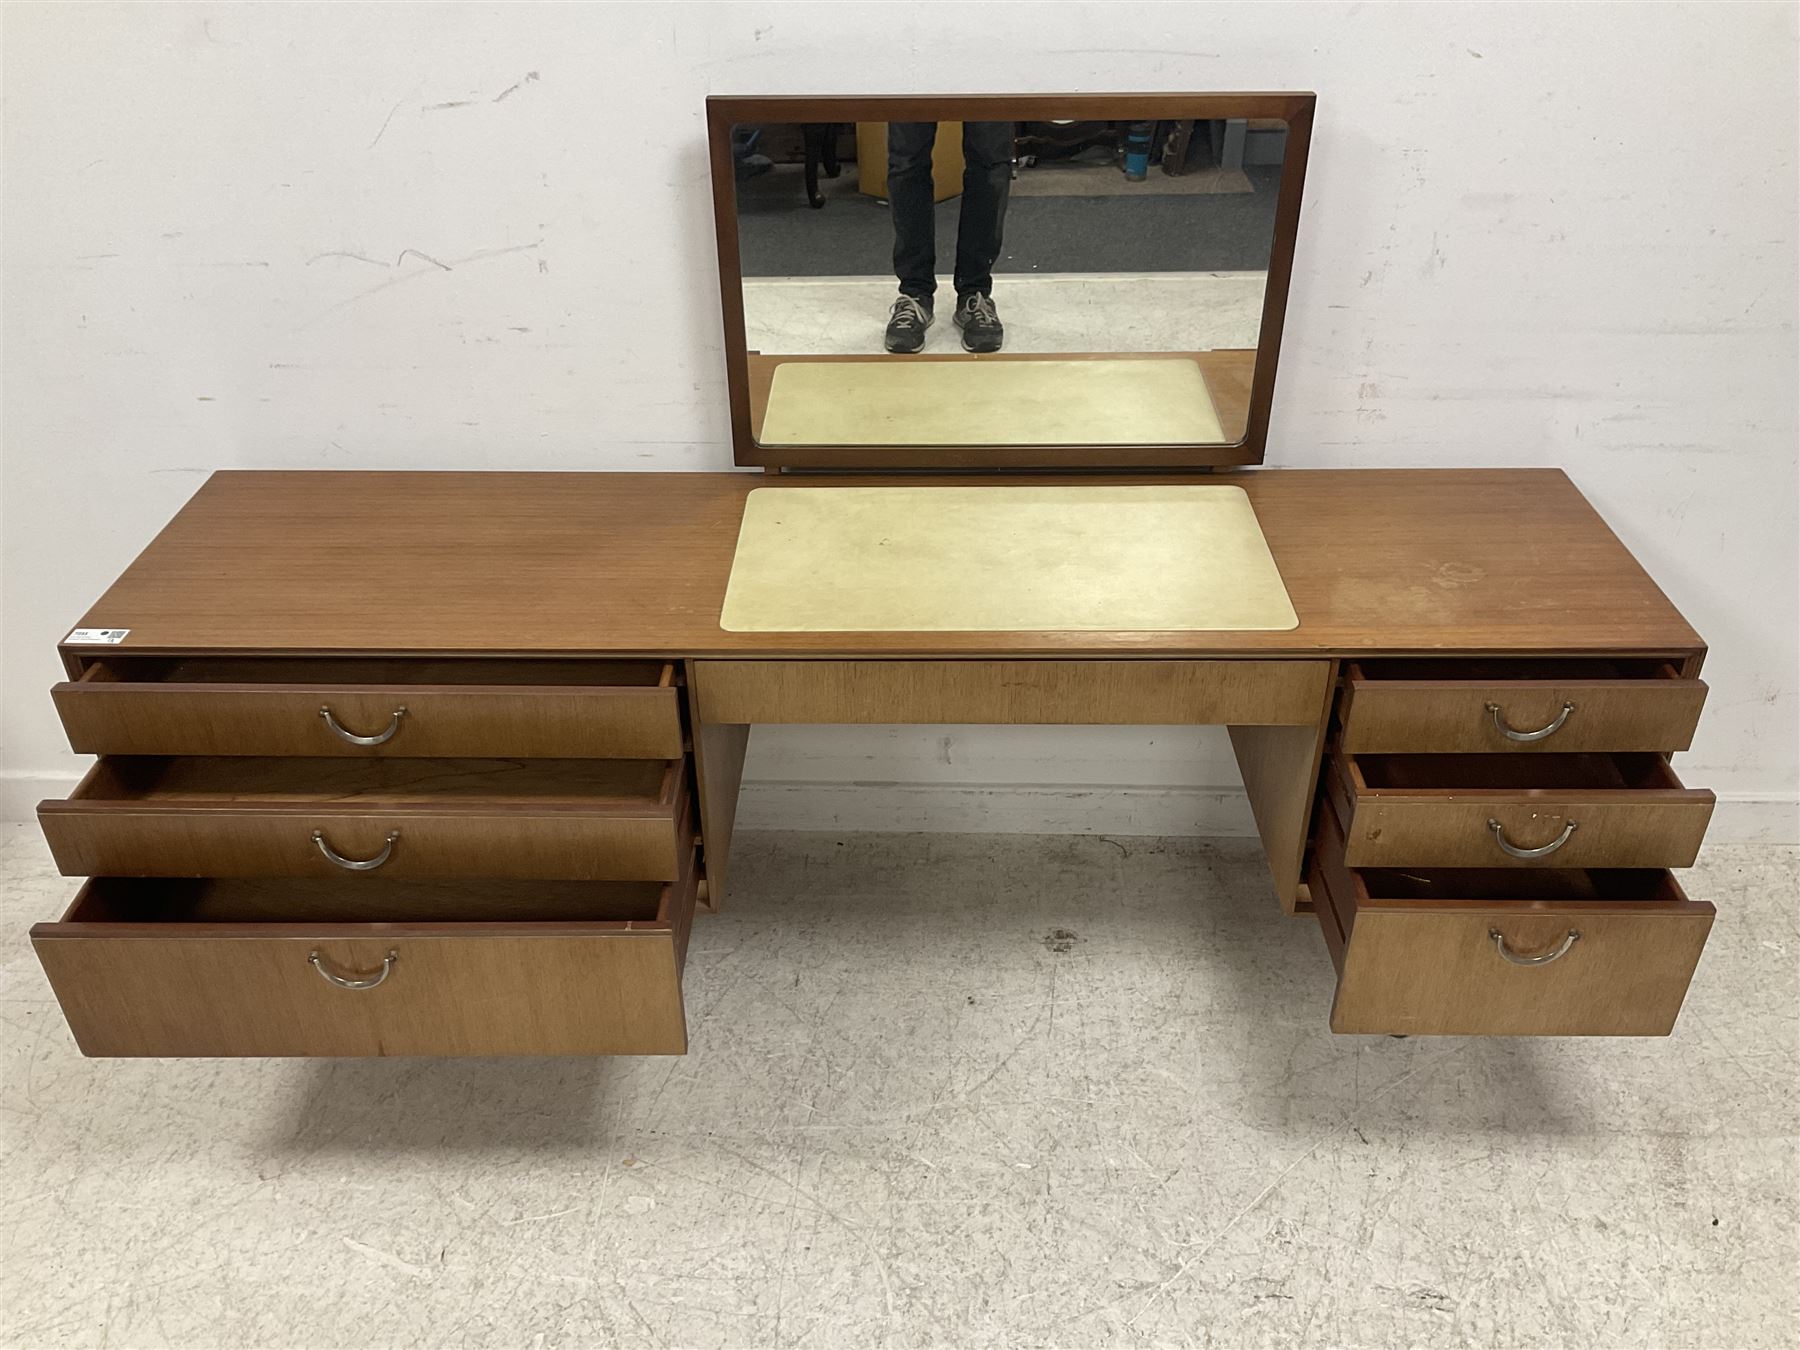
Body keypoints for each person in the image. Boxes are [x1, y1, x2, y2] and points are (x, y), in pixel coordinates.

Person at [883, 121, 1012, 354]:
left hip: (989, 83)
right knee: (906, 162)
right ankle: (915, 293)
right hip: (911, 83)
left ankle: (975, 293)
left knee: (991, 164)